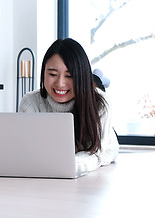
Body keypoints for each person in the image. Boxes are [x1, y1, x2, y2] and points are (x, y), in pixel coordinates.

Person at [19, 38, 119, 174]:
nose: (60, 83)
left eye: (69, 75)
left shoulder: (101, 104)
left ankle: (98, 78)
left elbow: (95, 155)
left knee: (95, 85)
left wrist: (61, 166)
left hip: (89, 98)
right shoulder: (30, 103)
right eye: (53, 74)